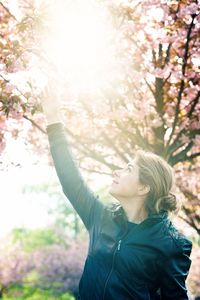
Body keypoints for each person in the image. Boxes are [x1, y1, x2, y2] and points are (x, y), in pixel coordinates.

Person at [41, 85, 193, 300]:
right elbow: (70, 180)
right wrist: (53, 120)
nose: (116, 172)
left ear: (144, 187)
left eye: (129, 169)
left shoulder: (172, 244)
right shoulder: (100, 218)